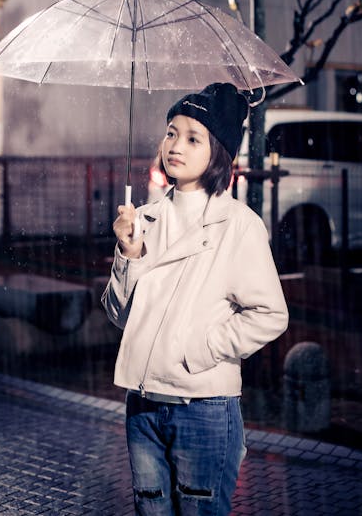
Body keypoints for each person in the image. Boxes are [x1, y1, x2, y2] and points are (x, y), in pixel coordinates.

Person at [101, 83, 289, 516]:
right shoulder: (144, 219)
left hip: (204, 408)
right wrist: (128, 255)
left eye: (192, 137)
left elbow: (270, 314)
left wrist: (198, 350)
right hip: (143, 406)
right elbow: (118, 315)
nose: (175, 145)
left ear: (218, 151)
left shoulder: (238, 225)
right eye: (171, 132)